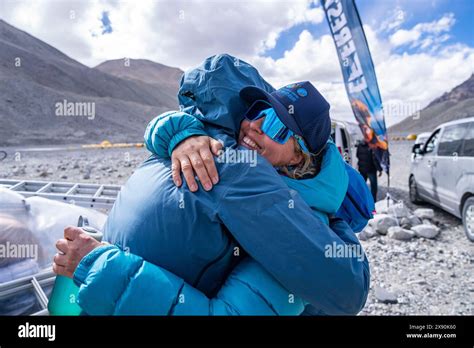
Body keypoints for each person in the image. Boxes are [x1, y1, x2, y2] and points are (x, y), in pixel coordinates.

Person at [53, 56, 369, 315]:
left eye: (275, 125)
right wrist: (179, 132)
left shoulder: (299, 226)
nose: (254, 126)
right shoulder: (222, 150)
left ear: (299, 158)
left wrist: (98, 267)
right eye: (258, 111)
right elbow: (172, 121)